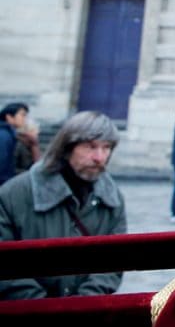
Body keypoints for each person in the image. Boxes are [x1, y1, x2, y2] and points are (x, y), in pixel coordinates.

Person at [0, 111, 125, 299]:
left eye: (106, 148)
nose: (99, 157)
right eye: (90, 147)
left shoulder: (112, 198)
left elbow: (113, 263)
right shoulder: (14, 194)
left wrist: (82, 305)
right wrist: (43, 308)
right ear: (67, 148)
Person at [0, 103, 29, 186]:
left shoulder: (9, 133)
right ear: (9, 117)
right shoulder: (4, 135)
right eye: (22, 115)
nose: (25, 119)